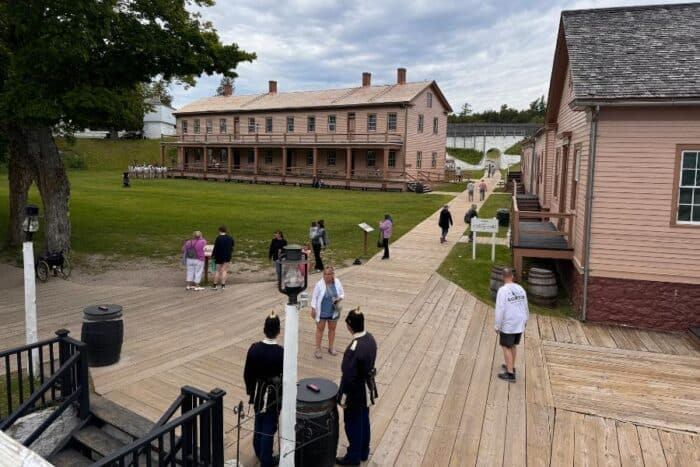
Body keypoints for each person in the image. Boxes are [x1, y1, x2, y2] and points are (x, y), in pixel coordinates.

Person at [336, 308, 378, 466]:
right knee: (364, 420)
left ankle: (353, 457)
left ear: (350, 326)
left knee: (352, 423)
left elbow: (348, 377)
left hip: (356, 391)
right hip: (367, 388)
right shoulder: (370, 339)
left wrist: (342, 398)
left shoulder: (354, 348)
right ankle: (363, 451)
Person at [243, 312, 284, 467]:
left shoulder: (254, 349)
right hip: (273, 394)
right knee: (269, 426)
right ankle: (265, 459)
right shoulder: (280, 352)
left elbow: (247, 373)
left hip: (258, 391)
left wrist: (251, 392)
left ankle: (259, 450)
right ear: (278, 331)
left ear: (264, 329)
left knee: (259, 422)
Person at [495, 268, 529, 383]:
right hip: (520, 321)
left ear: (502, 277)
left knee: (506, 346)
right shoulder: (520, 288)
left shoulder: (502, 291)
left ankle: (510, 374)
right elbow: (525, 305)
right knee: (513, 345)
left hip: (509, 323)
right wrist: (526, 319)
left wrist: (497, 325)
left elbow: (500, 310)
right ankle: (511, 366)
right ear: (512, 276)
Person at [310, 266, 344, 359]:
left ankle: (331, 347)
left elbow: (342, 293)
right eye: (325, 274)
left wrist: (339, 298)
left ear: (333, 275)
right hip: (322, 311)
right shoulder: (319, 284)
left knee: (332, 329)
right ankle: (318, 348)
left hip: (334, 310)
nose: (326, 276)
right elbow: (314, 297)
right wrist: (313, 309)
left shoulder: (337, 282)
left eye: (329, 274)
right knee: (320, 329)